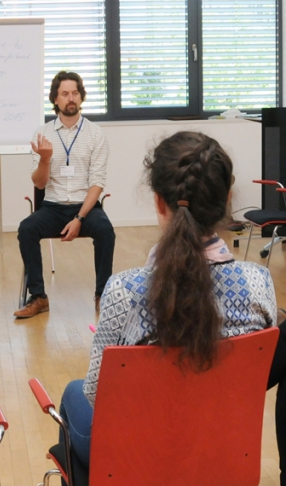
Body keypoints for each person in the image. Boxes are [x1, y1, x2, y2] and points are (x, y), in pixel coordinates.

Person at [58, 131, 275, 474]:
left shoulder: (124, 291)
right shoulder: (258, 283)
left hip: (141, 459)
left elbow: (97, 395)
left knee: (73, 393)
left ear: (159, 202)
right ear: (227, 198)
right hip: (223, 452)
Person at [15, 71, 115, 318]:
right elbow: (39, 183)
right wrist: (45, 160)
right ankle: (39, 297)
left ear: (81, 97)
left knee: (105, 231)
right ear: (55, 99)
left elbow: (97, 183)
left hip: (86, 206)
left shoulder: (95, 134)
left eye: (75, 93)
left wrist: (80, 218)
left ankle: (102, 295)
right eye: (65, 94)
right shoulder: (43, 134)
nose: (71, 98)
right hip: (53, 206)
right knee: (27, 229)